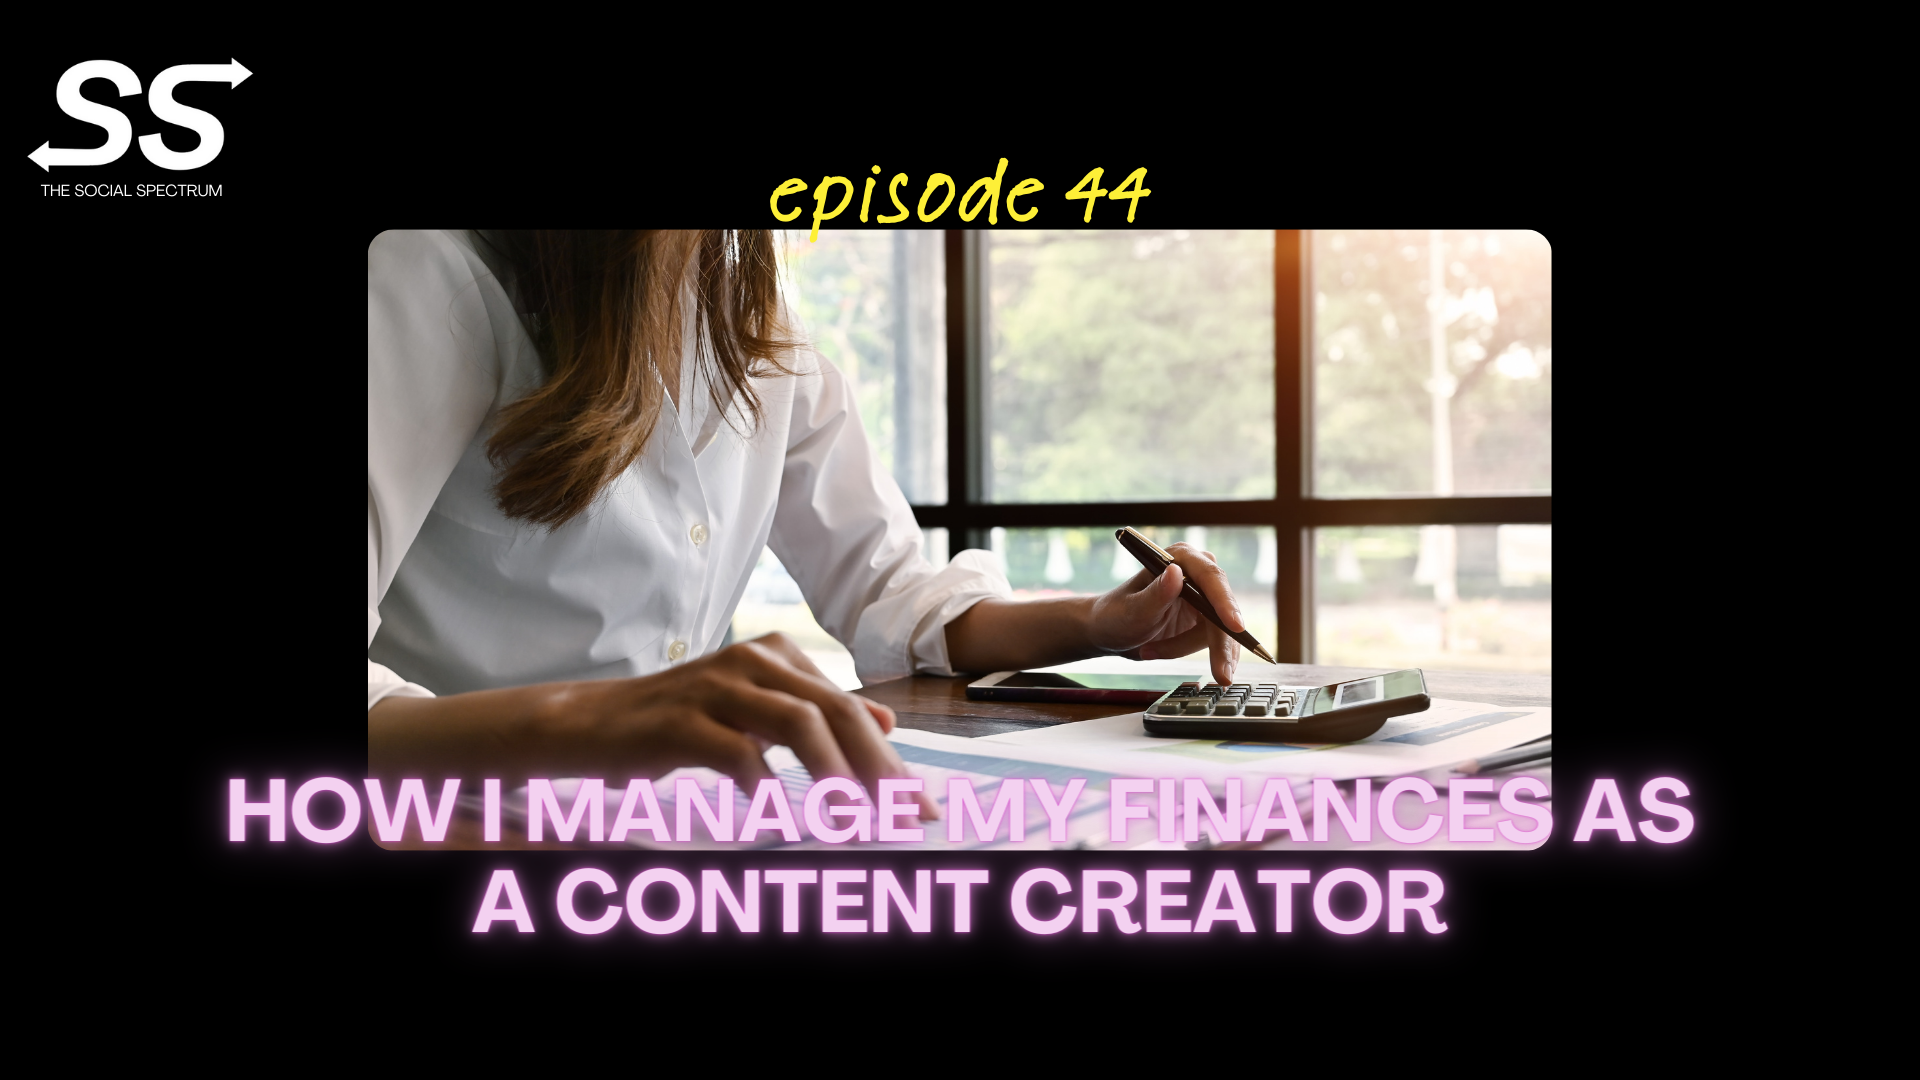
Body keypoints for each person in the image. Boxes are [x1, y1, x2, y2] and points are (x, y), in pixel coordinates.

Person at [366, 229, 1252, 818]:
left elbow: (892, 592)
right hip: (458, 827)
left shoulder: (751, 321)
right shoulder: (424, 272)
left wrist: (1098, 622)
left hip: (686, 839)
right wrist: (591, 720)